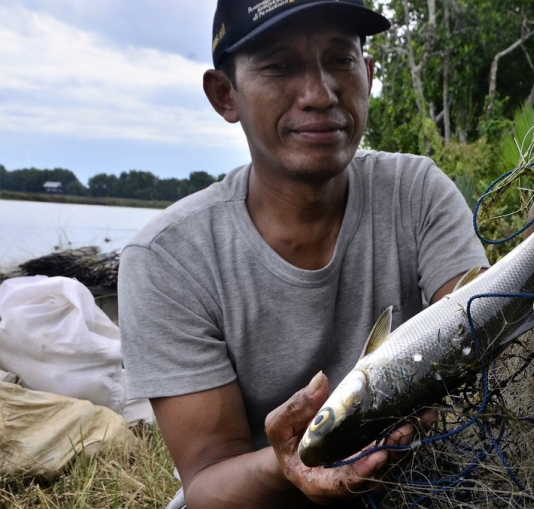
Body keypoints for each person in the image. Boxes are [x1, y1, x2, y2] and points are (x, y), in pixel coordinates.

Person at [117, 1, 491, 508]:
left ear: (369, 74)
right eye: (280, 65)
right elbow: (206, 480)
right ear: (225, 95)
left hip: (411, 486)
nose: (320, 94)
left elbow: (479, 325)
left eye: (340, 60)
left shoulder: (416, 191)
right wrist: (295, 460)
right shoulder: (167, 259)